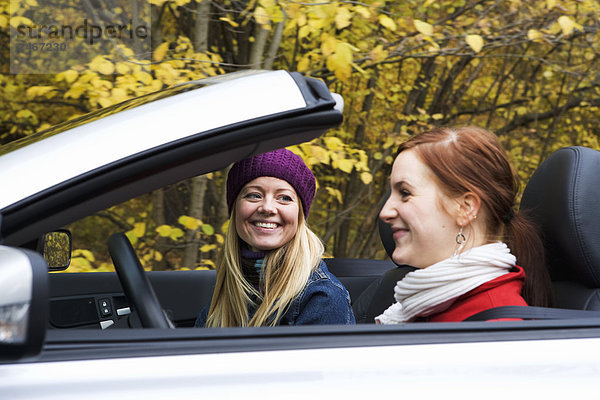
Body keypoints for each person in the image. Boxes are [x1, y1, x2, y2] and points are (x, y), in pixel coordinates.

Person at [375, 126, 553, 324]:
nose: (385, 212)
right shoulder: (423, 304)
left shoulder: (497, 326)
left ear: (465, 208)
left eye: (405, 193)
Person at [195, 148, 355, 327]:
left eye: (284, 198)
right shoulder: (232, 286)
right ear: (234, 209)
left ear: (300, 215)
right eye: (254, 195)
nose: (267, 208)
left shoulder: (321, 297)